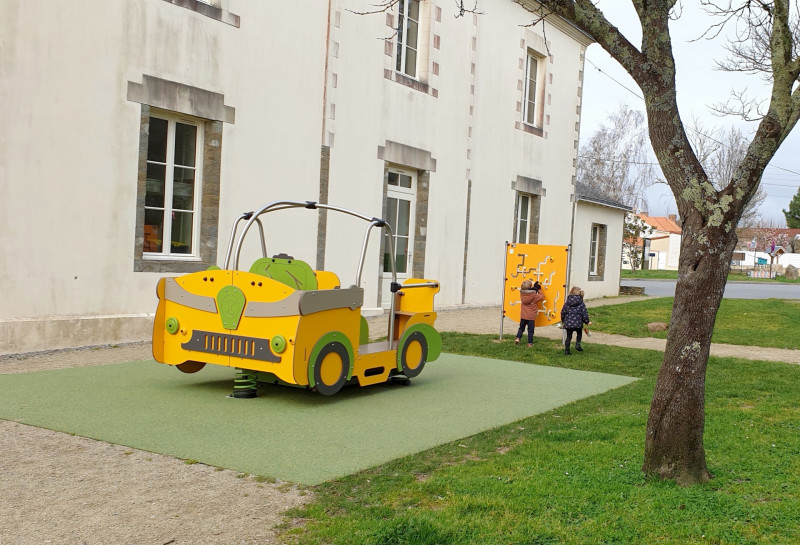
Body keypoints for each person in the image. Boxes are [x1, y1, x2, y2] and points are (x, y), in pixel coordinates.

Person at [560, 286, 591, 355]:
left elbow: (563, 312)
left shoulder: (567, 303)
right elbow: (584, 313)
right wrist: (587, 321)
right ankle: (577, 344)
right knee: (579, 333)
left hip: (568, 323)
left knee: (569, 336)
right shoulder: (581, 303)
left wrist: (563, 321)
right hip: (578, 322)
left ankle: (567, 351)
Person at [515, 280, 545, 347]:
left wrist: (533, 289)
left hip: (523, 315)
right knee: (530, 331)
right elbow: (542, 296)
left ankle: (518, 338)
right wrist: (538, 289)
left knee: (521, 328)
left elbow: (527, 293)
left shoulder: (521, 294)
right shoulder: (534, 296)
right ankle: (530, 343)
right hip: (531, 317)